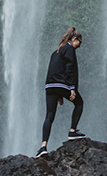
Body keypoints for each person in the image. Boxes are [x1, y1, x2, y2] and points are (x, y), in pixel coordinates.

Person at [35, 27, 86, 158]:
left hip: (50, 85)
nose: (79, 46)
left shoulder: (56, 51)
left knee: (49, 116)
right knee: (79, 103)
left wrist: (58, 94)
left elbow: (53, 69)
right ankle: (72, 131)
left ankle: (43, 147)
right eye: (79, 42)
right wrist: (72, 88)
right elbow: (70, 69)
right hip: (62, 84)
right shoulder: (69, 49)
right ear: (74, 39)